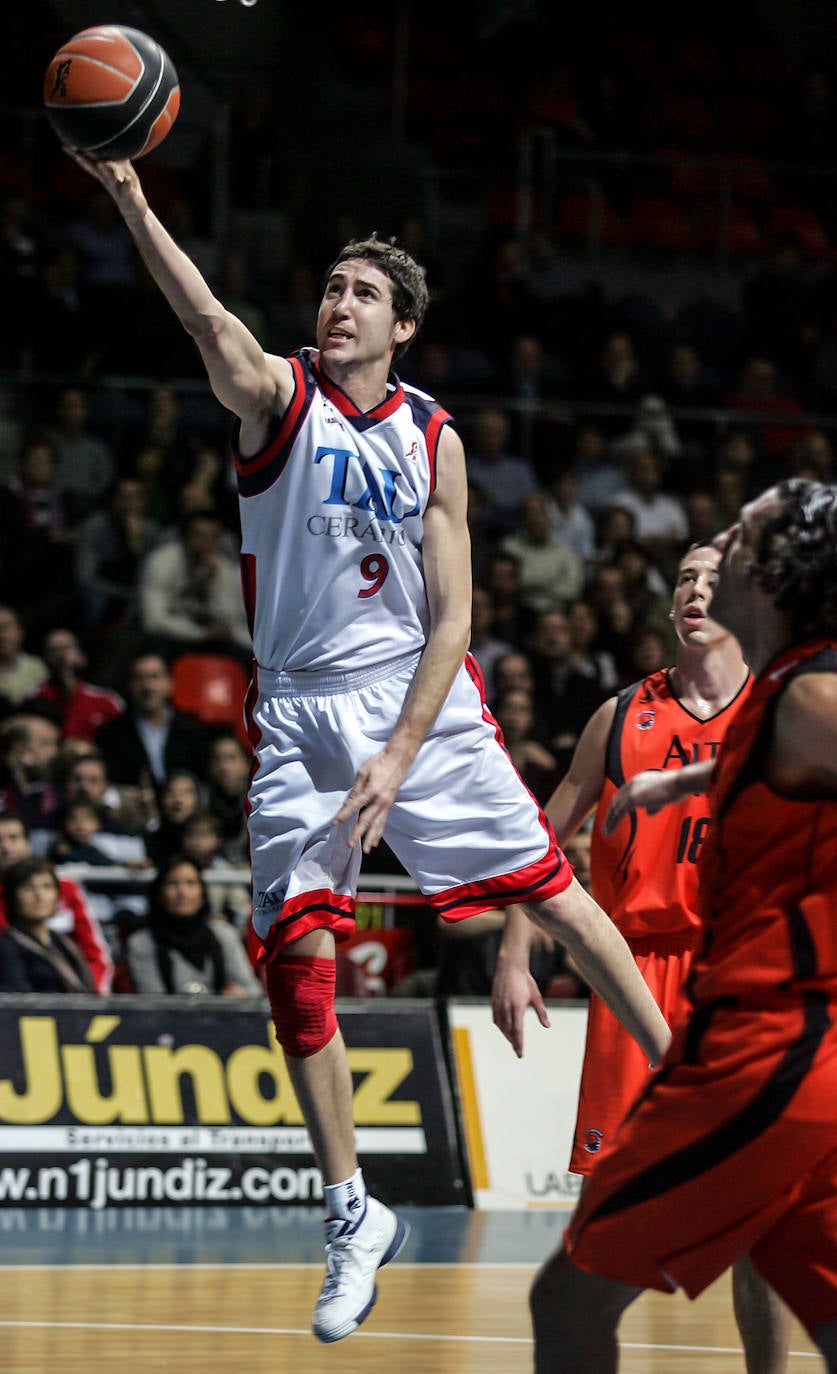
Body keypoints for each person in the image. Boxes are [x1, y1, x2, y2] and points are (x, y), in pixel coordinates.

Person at [70, 145, 669, 1347]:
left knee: (559, 901)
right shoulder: (275, 398)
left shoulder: (433, 437)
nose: (335, 303)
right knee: (294, 962)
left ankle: (697, 1085)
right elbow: (207, 316)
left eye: (361, 293)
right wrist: (132, 196)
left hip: (421, 699)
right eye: (331, 287)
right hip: (295, 707)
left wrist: (400, 750)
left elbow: (455, 619)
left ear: (401, 326)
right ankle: (353, 1211)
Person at [522, 479, 837, 1373]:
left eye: (737, 544)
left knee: (573, 1292)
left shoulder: (804, 700)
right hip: (756, 1022)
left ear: (771, 581)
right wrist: (678, 785)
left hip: (767, 1031)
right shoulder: (764, 698)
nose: (708, 564)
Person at [0, 810, 112, 992]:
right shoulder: (8, 943)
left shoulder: (65, 887)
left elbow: (95, 954)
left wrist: (93, 1005)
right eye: (28, 889)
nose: (6, 847)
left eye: (13, 838)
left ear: (28, 844)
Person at [122, 854, 260, 996]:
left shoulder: (223, 935)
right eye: (172, 884)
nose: (182, 892)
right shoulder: (142, 943)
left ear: (202, 893)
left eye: (190, 883)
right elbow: (152, 1001)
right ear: (159, 893)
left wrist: (240, 995)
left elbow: (252, 990)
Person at [95, 651, 210, 791]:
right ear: (129, 686)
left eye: (154, 677)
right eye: (139, 678)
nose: (147, 686)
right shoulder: (111, 734)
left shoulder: (193, 730)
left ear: (170, 684)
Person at [0, 856, 99, 994]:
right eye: (28, 888)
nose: (39, 896)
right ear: (12, 897)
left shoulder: (64, 942)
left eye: (47, 887)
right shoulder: (6, 945)